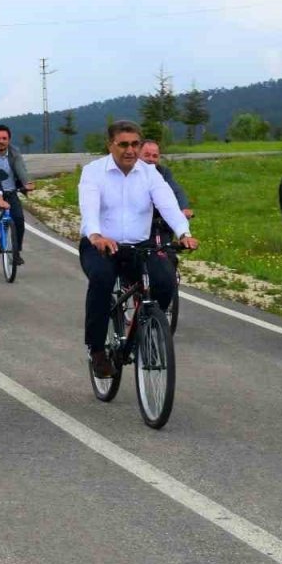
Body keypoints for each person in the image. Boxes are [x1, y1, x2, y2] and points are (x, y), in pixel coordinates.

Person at [78, 120, 198, 378]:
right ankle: (97, 349)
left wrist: (184, 233)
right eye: (123, 144)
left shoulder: (149, 173)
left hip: (139, 246)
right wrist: (96, 235)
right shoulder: (93, 171)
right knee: (101, 280)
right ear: (110, 145)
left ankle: (149, 330)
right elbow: (88, 206)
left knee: (166, 280)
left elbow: (167, 204)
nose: (130, 150)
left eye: (135, 144)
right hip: (101, 245)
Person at [0, 124, 34, 265]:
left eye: (4, 138)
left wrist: (27, 183)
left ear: (9, 140)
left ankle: (16, 252)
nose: (1, 141)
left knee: (19, 220)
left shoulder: (15, 153)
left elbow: (21, 170)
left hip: (10, 193)